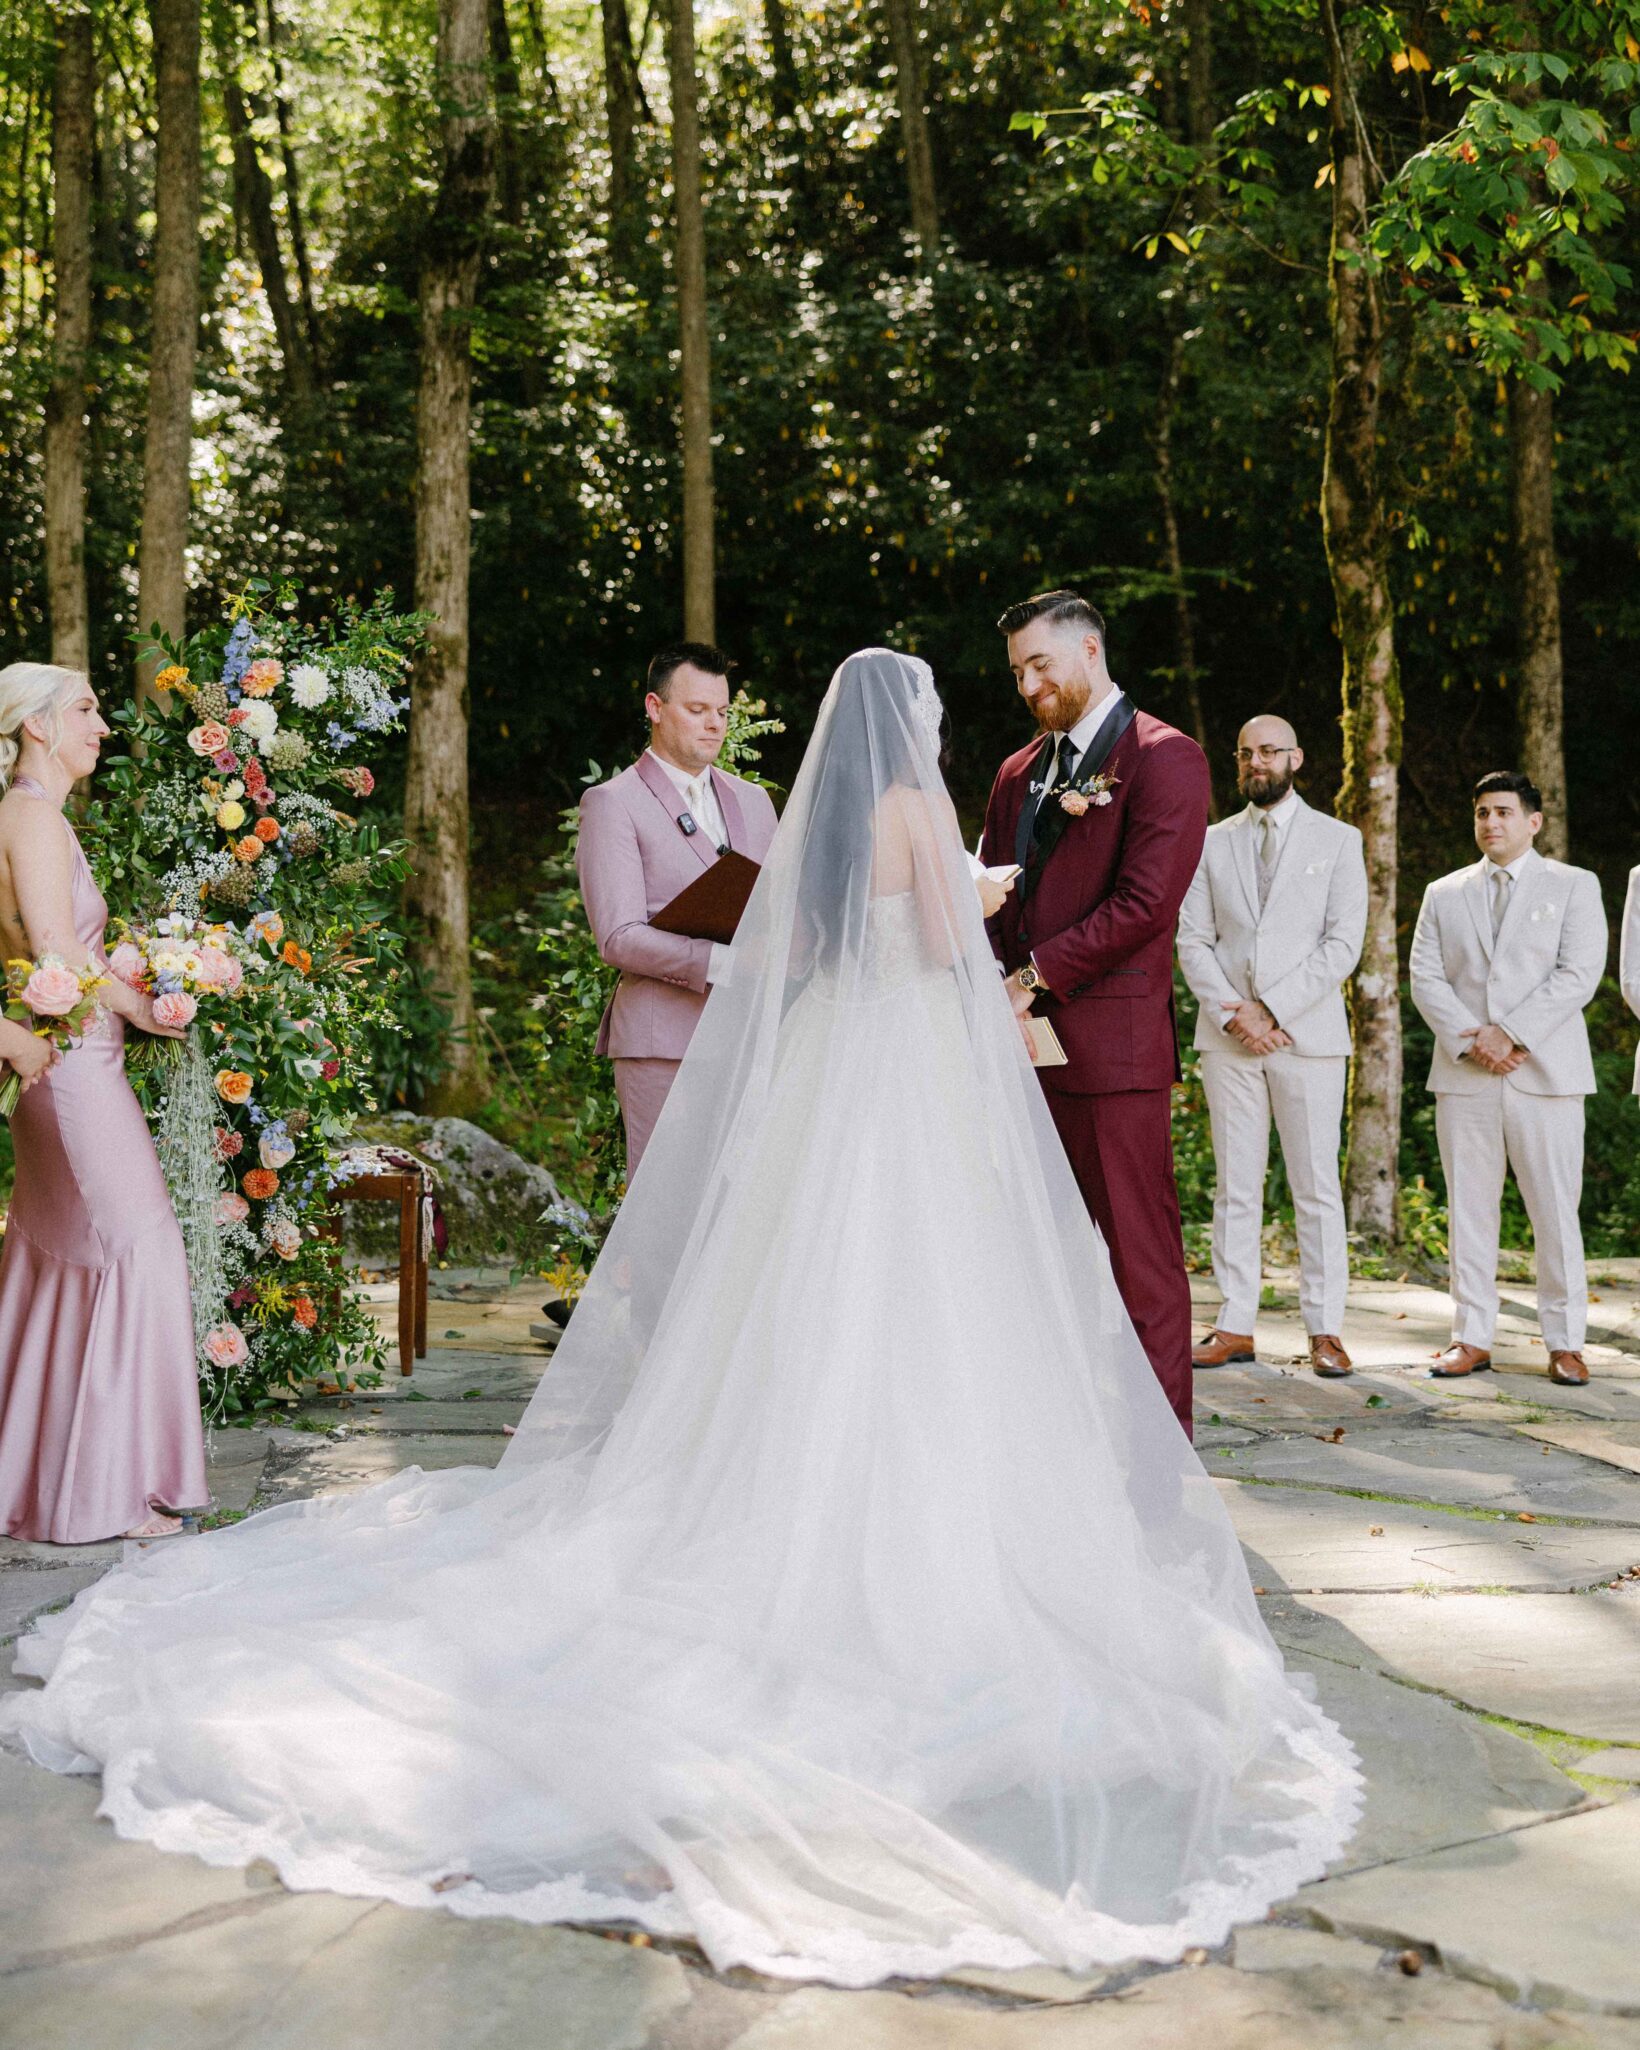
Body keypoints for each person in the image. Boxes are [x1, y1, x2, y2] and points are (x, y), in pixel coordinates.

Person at [1, 651, 1360, 1985]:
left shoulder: (816, 823)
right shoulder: (908, 808)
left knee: (802, 1293)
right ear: (910, 724)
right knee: (920, 1304)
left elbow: (812, 934)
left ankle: (771, 1482)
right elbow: (948, 943)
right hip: (910, 1080)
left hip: (839, 1074)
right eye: (940, 705)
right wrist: (980, 891)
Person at [979, 591, 1211, 1436]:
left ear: (1089, 651)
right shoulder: (1017, 772)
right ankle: (1066, 1447)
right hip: (1020, 1051)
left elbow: (1146, 902)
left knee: (1139, 1263)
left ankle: (1159, 1461)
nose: (1029, 684)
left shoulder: (1165, 757)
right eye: (1017, 672)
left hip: (1112, 1057)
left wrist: (1033, 975)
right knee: (1040, 1261)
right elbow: (998, 892)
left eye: (1041, 664)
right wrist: (988, 964)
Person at [0, 662, 207, 1544]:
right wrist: (153, 1007)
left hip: (56, 1066)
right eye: (84, 709)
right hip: (77, 1069)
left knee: (55, 1261)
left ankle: (34, 1480)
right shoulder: (34, 818)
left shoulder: (23, 815)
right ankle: (106, 1494)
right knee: (138, 1248)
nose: (102, 724)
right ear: (36, 726)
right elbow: (54, 949)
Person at [1177, 716, 1367, 1378]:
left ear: (1296, 757)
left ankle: (1325, 1328)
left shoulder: (1339, 841)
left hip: (1305, 1037)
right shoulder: (1209, 842)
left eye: (1268, 751)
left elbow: (1343, 944)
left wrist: (1274, 1008)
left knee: (1315, 1185)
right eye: (1246, 753)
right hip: (1229, 1041)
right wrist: (1235, 1015)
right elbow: (1192, 939)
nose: (1256, 761)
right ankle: (1234, 1323)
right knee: (1236, 1184)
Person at [1409, 771, 1606, 1386]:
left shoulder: (1573, 885)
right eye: (1481, 814)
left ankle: (1565, 1341)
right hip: (1466, 1075)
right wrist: (1476, 1040)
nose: (1490, 823)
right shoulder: (1444, 892)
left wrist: (1511, 1033)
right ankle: (1470, 1337)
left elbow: (1579, 973)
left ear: (1533, 821)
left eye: (1502, 812)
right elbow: (1425, 976)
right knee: (1469, 1210)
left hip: (1544, 1073)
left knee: (1554, 1211)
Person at [577, 643, 779, 1177]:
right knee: (666, 1215)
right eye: (697, 710)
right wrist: (724, 963)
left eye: (723, 712)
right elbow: (617, 937)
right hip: (662, 1042)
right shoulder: (612, 803)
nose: (714, 725)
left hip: (748, 1039)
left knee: (745, 1208)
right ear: (654, 707)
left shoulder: (755, 801)